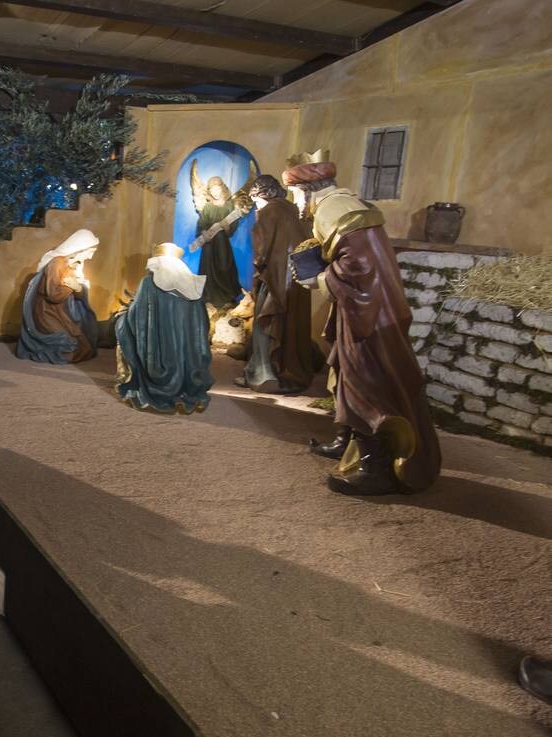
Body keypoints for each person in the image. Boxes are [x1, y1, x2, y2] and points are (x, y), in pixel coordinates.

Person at [284, 151, 441, 496]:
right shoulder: (345, 203)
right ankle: (348, 442)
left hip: (368, 314)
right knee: (344, 372)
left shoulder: (332, 210)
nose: (296, 201)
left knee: (367, 382)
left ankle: (372, 466)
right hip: (367, 307)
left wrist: (321, 279)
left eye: (295, 193)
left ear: (308, 189)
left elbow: (359, 267)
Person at [239, 174, 317, 393]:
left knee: (265, 325)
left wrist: (256, 275)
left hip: (274, 279)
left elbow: (261, 253)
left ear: (264, 194)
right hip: (300, 280)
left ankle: (263, 373)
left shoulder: (267, 212)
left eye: (256, 199)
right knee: (293, 327)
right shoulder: (295, 211)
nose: (256, 204)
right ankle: (293, 372)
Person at [115, 242, 213, 414]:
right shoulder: (193, 287)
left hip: (159, 354)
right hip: (189, 357)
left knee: (121, 324)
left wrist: (124, 314)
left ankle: (149, 384)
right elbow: (202, 325)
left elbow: (136, 317)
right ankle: (186, 387)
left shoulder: (149, 283)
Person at [16, 229, 99, 364]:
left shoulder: (72, 264)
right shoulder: (57, 263)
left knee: (86, 347)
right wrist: (71, 286)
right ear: (80, 248)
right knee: (70, 349)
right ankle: (43, 351)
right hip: (47, 313)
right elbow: (53, 295)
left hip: (63, 313)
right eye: (90, 252)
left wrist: (77, 286)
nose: (90, 257)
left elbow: (77, 291)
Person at [189, 162, 246, 308]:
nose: (215, 192)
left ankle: (227, 296)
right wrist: (203, 232)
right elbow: (201, 224)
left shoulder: (229, 206)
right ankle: (209, 297)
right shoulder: (207, 207)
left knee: (224, 267)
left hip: (222, 244)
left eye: (217, 188)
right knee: (208, 270)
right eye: (212, 189)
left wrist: (226, 227)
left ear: (222, 188)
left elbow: (232, 226)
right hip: (209, 245)